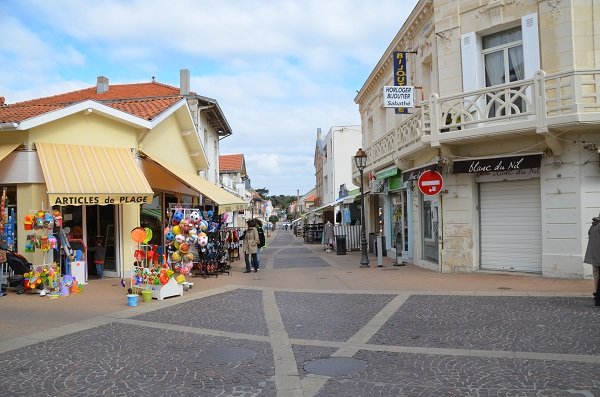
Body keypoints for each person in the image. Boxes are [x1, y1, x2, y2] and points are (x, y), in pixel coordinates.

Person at [584, 215, 600, 306]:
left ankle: (596, 292)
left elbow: (589, 234)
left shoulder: (593, 225)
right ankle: (598, 294)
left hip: (594, 256)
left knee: (596, 275)